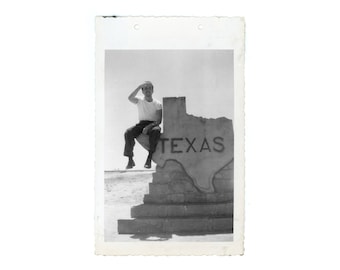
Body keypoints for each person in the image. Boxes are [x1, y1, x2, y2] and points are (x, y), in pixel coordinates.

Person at [124, 81, 162, 169]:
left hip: (153, 124)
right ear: (142, 91)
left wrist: (149, 127)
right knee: (128, 132)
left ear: (153, 90)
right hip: (141, 124)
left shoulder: (157, 104)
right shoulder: (139, 100)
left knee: (156, 131)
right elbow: (130, 98)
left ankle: (149, 158)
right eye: (145, 88)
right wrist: (139, 86)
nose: (147, 90)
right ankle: (130, 160)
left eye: (149, 88)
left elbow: (159, 120)